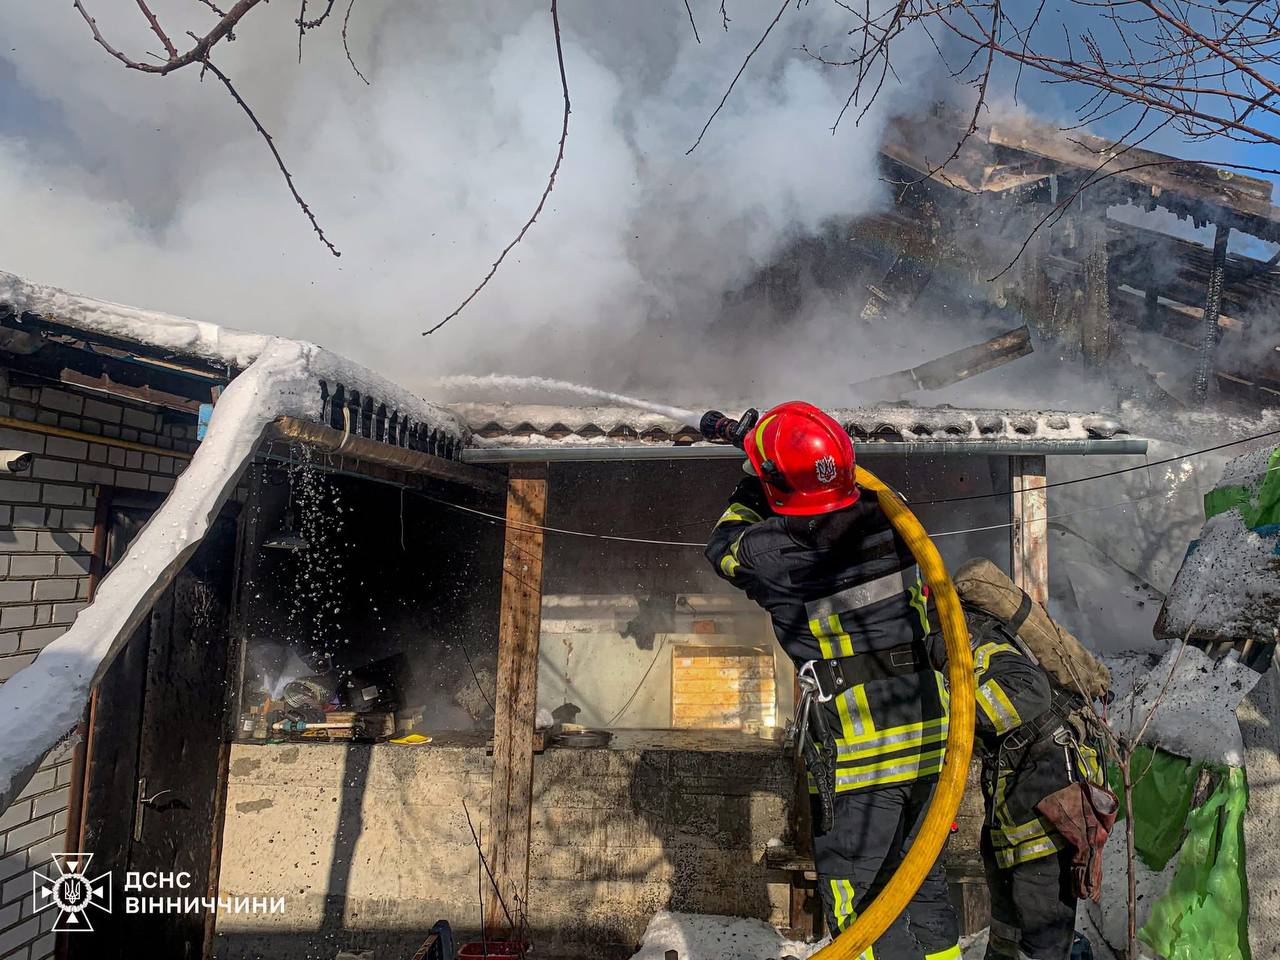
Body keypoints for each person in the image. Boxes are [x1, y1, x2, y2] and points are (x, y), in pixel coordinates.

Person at [702, 401, 960, 960]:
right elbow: (832, 495)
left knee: (860, 899)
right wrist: (777, 462)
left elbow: (722, 549)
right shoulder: (894, 517)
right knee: (922, 885)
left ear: (776, 487)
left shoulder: (780, 554)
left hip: (861, 748)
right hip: (931, 736)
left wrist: (754, 481)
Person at [924, 595, 1110, 960]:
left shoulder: (959, 637)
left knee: (1042, 925)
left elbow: (1029, 691)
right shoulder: (949, 633)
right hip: (1016, 789)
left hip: (1048, 791)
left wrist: (958, 718)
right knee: (1009, 921)